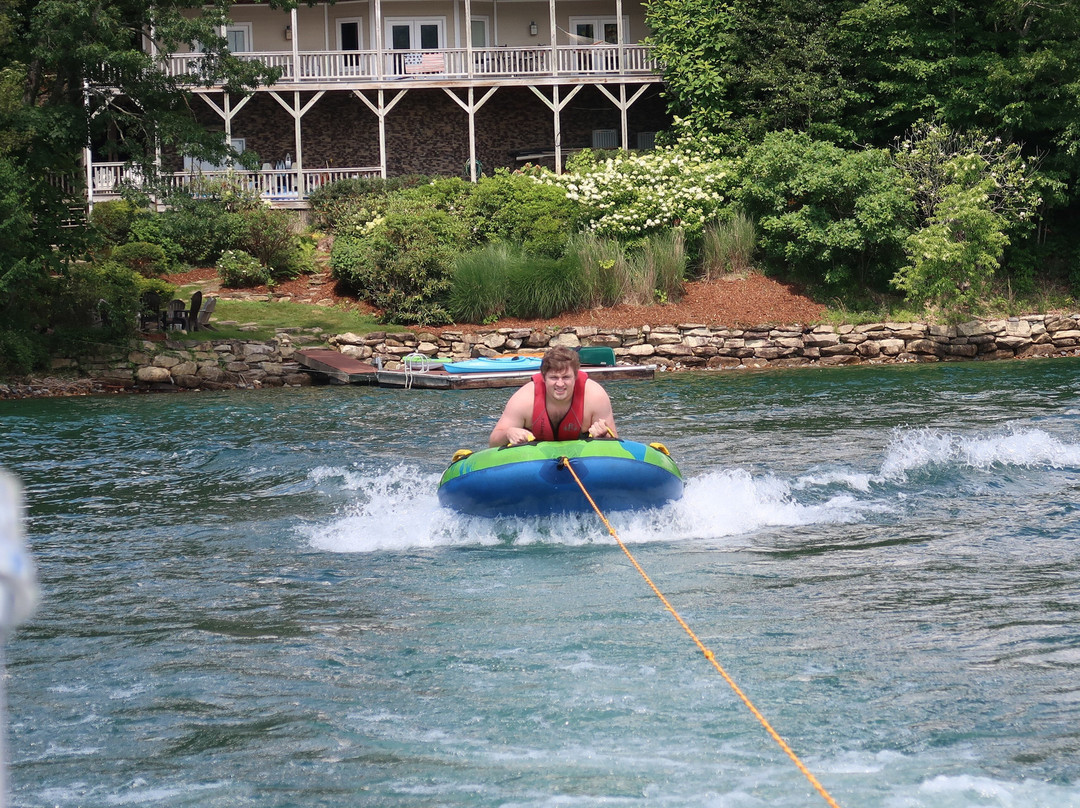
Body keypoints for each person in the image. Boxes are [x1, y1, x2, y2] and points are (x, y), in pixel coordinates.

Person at [488, 346, 618, 447]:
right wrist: (508, 433)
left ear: (576, 377)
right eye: (554, 377)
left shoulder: (595, 396)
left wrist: (603, 436)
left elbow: (616, 445)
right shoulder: (524, 399)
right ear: (543, 378)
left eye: (566, 377)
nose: (560, 384)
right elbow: (493, 442)